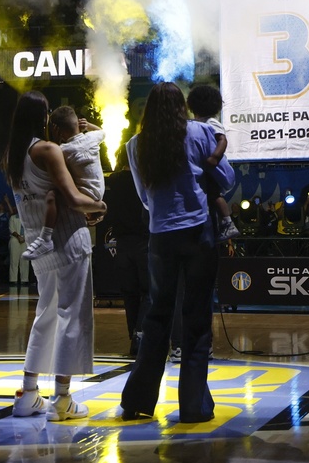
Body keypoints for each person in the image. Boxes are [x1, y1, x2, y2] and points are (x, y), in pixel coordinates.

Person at [119, 83, 236, 424]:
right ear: (181, 107)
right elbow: (226, 179)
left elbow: (144, 196)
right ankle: (193, 407)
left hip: (161, 237)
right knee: (196, 320)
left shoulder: (135, 145)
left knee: (157, 316)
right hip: (198, 233)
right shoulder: (200, 132)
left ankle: (138, 401)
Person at [4, 91, 107, 421]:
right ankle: (62, 399)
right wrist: (100, 206)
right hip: (68, 242)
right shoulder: (47, 149)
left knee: (45, 314)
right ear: (42, 117)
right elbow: (76, 199)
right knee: (72, 317)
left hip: (38, 243)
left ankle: (28, 393)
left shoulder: (11, 154)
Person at [22, 107, 105, 260]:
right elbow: (101, 131)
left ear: (57, 129)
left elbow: (52, 156)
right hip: (99, 192)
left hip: (83, 195)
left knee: (52, 195)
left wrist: (56, 137)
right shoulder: (92, 139)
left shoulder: (62, 149)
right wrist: (87, 126)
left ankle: (45, 238)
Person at [103, 147, 150, 356]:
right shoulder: (144, 181)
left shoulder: (113, 181)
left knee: (129, 294)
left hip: (121, 244)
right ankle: (142, 332)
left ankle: (133, 334)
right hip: (143, 242)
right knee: (148, 291)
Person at [186, 85, 238, 242]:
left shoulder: (211, 122)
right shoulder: (198, 122)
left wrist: (215, 157)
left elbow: (222, 139)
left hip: (217, 168)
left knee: (214, 194)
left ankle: (228, 223)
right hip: (210, 168)